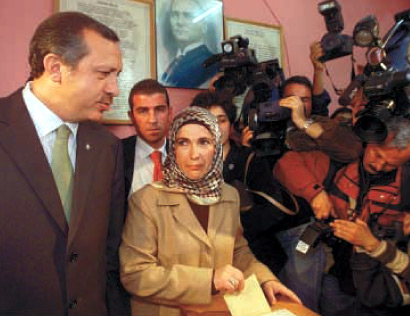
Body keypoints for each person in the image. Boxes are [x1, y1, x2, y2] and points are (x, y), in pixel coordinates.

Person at [0, 12, 129, 316]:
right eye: (103, 74)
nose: (114, 89)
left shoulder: (107, 147)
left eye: (116, 75)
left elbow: (108, 258)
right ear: (55, 68)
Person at [119, 107, 301, 316]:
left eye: (203, 142)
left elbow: (238, 250)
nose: (194, 154)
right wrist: (209, 280)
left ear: (216, 147)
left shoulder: (229, 195)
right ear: (173, 149)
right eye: (183, 143)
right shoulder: (146, 201)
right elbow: (135, 274)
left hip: (216, 310)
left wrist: (264, 278)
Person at [274, 117, 410, 316]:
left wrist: (371, 243)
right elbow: (286, 164)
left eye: (390, 164)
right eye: (377, 155)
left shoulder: (406, 185)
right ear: (368, 141)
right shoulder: (342, 159)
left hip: (377, 276)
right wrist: (316, 193)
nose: (379, 166)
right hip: (336, 261)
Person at [190, 91, 294, 274]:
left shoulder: (250, 160)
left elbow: (273, 211)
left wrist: (229, 225)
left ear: (230, 125)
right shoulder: (190, 164)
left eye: (221, 120)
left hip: (255, 257)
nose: (215, 126)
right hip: (209, 264)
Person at [122, 79, 171, 201]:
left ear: (170, 113)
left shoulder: (183, 153)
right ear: (131, 117)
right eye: (143, 111)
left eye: (159, 109)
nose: (152, 120)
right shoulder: (116, 154)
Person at [159, 0, 219, 88]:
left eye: (188, 16)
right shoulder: (175, 62)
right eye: (175, 15)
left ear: (204, 26)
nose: (179, 22)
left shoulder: (210, 63)